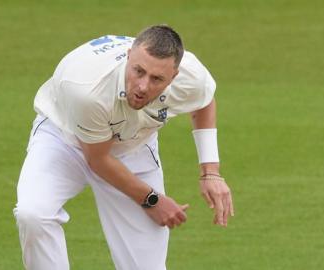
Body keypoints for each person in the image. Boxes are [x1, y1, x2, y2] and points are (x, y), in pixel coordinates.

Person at [13, 25, 234, 270]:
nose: (142, 86)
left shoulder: (192, 76)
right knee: (33, 213)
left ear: (174, 76)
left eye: (156, 79)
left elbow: (203, 102)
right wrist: (152, 200)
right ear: (129, 56)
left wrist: (210, 172)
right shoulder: (86, 87)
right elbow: (98, 160)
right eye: (138, 71)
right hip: (63, 138)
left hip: (133, 145)